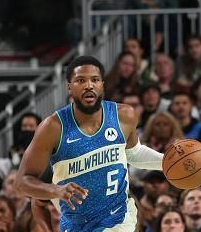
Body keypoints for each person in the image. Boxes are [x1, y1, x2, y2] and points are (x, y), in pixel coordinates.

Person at [15, 56, 165, 232]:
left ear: (102, 84)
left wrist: (166, 162)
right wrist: (55, 191)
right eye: (80, 80)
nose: (89, 85)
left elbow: (133, 153)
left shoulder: (124, 115)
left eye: (94, 80)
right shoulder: (53, 127)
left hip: (118, 218)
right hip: (76, 225)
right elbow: (22, 183)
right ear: (69, 87)